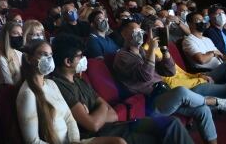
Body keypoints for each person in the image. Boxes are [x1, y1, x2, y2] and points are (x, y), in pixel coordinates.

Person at [143, 17, 226, 142]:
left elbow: (181, 73)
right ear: (148, 31)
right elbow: (169, 78)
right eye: (157, 30)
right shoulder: (146, 51)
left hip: (196, 80)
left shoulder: (163, 48)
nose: (160, 33)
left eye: (162, 30)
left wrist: (198, 76)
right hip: (189, 89)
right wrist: (154, 49)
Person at [50, 34, 194, 143]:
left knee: (172, 123)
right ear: (68, 62)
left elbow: (112, 113)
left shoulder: (79, 80)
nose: (83, 59)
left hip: (117, 125)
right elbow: (93, 126)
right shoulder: (60, 86)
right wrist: (100, 110)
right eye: (80, 56)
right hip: (102, 136)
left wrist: (96, 112)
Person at [114, 21, 226, 144]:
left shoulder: (143, 52)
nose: (139, 34)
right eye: (135, 31)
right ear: (125, 34)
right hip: (151, 101)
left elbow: (169, 71)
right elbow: (146, 76)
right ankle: (214, 101)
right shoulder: (122, 57)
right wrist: (151, 51)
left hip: (165, 92)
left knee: (203, 110)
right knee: (181, 91)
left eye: (140, 31)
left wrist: (164, 51)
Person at [16, 40, 118, 144]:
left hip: (73, 141)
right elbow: (32, 141)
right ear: (28, 58)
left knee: (118, 142)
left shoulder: (51, 84)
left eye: (50, 55)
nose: (49, 59)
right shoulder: (28, 94)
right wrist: (104, 107)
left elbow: (69, 117)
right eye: (44, 55)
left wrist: (75, 141)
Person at [0, 20, 23, 87]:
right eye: (16, 33)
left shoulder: (19, 53)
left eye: (21, 34)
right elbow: (9, 86)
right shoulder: (0, 59)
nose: (20, 37)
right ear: (7, 36)